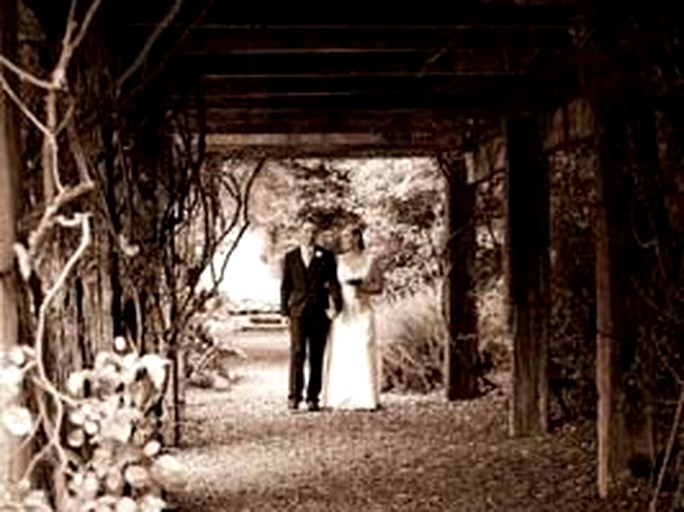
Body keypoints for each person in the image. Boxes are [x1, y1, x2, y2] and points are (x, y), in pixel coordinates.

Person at [280, 218, 342, 412]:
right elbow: (286, 286)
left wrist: (336, 306)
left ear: (316, 235)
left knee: (317, 355)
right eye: (306, 231)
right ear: (300, 234)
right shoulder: (290, 257)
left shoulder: (326, 256)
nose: (309, 235)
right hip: (297, 311)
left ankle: (313, 397)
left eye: (312, 232)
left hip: (320, 312)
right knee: (298, 353)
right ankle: (294, 396)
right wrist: (284, 312)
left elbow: (333, 283)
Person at [322, 226, 383, 410]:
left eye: (348, 236)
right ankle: (339, 397)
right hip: (343, 312)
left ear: (357, 237)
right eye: (343, 237)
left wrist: (362, 289)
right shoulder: (337, 261)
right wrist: (330, 305)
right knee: (343, 352)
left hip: (362, 310)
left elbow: (379, 287)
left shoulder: (370, 260)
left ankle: (367, 398)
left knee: (364, 349)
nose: (344, 240)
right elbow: (328, 286)